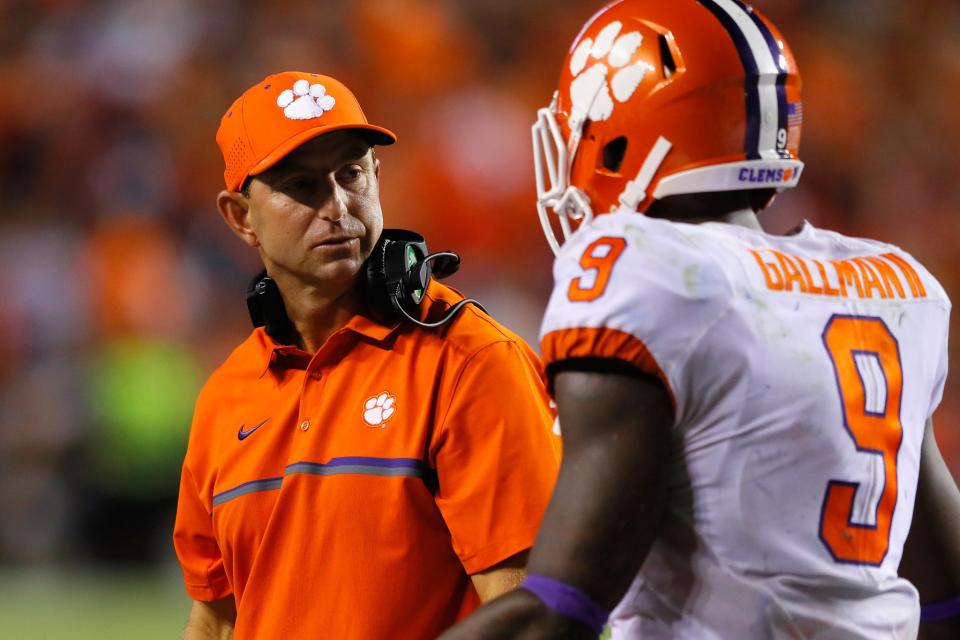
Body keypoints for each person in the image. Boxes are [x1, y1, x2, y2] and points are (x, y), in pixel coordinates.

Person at [440, 1, 960, 639]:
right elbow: (945, 596)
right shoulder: (893, 283)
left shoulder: (648, 274)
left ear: (621, 138)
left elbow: (560, 610)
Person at [172, 71, 559, 640]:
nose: (335, 205)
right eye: (300, 185)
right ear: (240, 217)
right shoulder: (227, 396)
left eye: (350, 173)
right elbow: (215, 618)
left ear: (377, 177)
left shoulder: (471, 362)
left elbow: (533, 618)